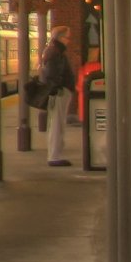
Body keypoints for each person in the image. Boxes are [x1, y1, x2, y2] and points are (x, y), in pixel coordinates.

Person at [40, 25, 76, 166]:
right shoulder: (55, 52)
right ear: (60, 38)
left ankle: (56, 154)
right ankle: (54, 156)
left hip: (59, 91)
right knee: (57, 124)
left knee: (57, 123)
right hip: (59, 92)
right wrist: (59, 87)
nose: (69, 41)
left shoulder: (53, 51)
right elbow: (52, 74)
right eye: (67, 37)